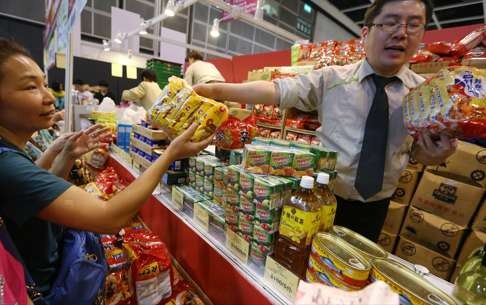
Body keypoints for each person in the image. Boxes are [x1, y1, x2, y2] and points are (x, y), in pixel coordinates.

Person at [193, 0, 457, 242]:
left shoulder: (427, 96)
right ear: (365, 33)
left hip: (376, 206)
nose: (401, 32)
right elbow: (277, 90)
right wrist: (216, 90)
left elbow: (420, 153)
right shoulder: (332, 79)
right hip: (320, 197)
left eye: (413, 25)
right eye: (390, 22)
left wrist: (435, 154)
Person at [0, 38, 212, 294]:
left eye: (44, 84)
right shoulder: (6, 164)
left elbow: (34, 199)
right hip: (43, 290)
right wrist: (170, 154)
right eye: (30, 87)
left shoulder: (11, 154)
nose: (48, 97)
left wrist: (65, 155)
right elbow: (110, 217)